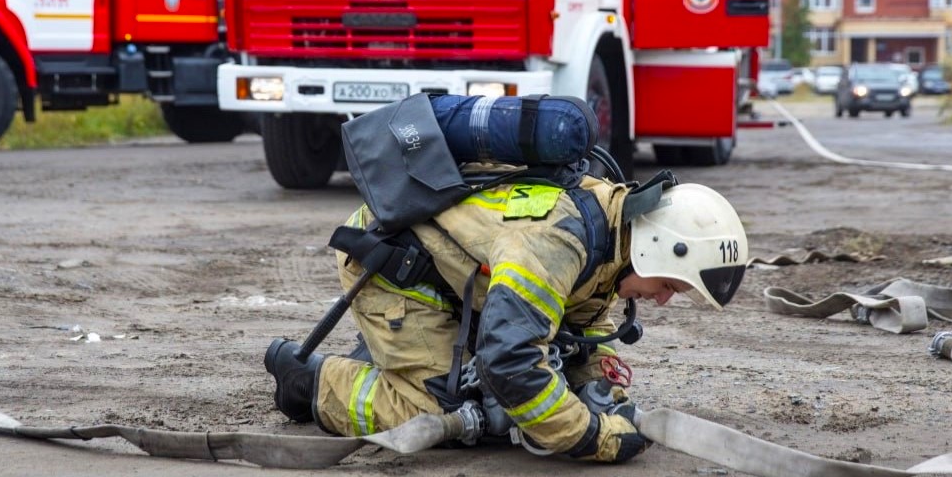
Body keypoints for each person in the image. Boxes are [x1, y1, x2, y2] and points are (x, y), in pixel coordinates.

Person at [265, 169, 749, 464]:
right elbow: (510, 360)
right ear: (655, 248)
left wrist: (603, 392)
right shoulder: (561, 242)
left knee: (510, 395)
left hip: (454, 280)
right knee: (451, 411)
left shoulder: (614, 231)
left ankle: (403, 353)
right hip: (391, 270)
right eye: (668, 285)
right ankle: (311, 382)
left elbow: (585, 323)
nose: (663, 300)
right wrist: (588, 436)